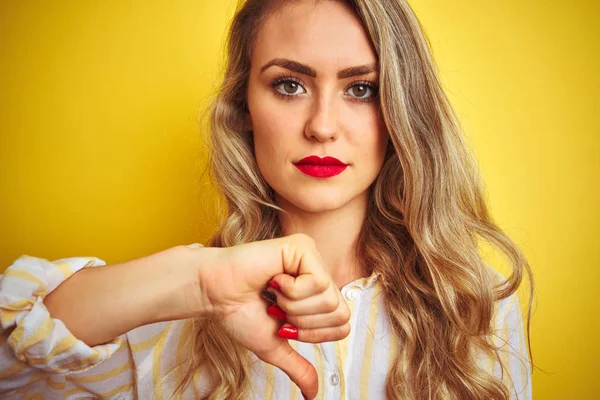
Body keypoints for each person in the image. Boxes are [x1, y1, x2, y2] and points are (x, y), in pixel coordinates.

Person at [0, 0, 534, 399]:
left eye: (361, 88)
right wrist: (197, 281)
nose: (322, 126)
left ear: (401, 109)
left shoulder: (475, 304)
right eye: (289, 85)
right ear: (244, 107)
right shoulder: (173, 312)